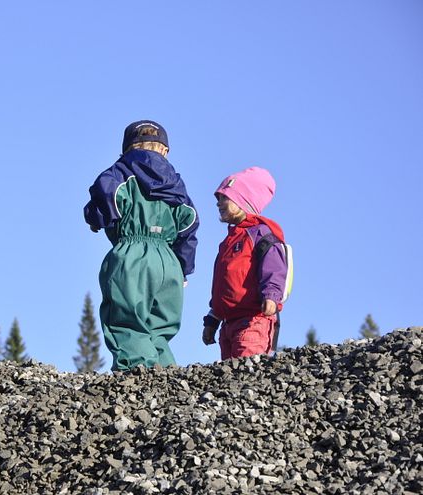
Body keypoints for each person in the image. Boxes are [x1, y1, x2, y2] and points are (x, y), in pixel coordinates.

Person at [84, 120, 198, 371]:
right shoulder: (176, 184)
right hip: (168, 261)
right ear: (165, 150)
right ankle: (167, 376)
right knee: (160, 327)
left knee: (126, 318)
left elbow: (106, 196)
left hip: (132, 253)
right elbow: (189, 222)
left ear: (126, 149)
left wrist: (95, 218)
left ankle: (135, 376)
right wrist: (183, 267)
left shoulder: (121, 171)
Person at [201, 166, 289, 360]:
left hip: (253, 321)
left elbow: (274, 267)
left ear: (245, 200)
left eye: (225, 198)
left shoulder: (261, 235)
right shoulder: (228, 242)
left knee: (247, 374)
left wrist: (272, 296)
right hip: (228, 325)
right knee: (229, 378)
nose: (219, 203)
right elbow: (223, 287)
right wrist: (212, 319)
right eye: (218, 199)